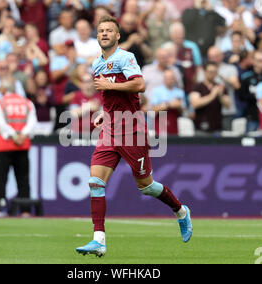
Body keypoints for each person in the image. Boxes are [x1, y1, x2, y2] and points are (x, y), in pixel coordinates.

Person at [75, 15, 192, 258]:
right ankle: (99, 240)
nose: (105, 33)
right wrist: (102, 114)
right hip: (110, 130)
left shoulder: (125, 57)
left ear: (118, 36)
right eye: (101, 30)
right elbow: (108, 99)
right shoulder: (97, 63)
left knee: (146, 186)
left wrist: (110, 86)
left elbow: (139, 85)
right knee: (95, 182)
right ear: (97, 36)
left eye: (109, 30)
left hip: (132, 130)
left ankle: (181, 211)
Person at [0, 78, 38, 218]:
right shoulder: (27, 102)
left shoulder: (0, 102)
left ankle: (1, 208)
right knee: (23, 178)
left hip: (4, 145)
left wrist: (14, 135)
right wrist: (22, 135)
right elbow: (33, 122)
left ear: (3, 90)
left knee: (1, 178)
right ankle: (25, 210)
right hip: (23, 144)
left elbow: (1, 122)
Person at [190, 61, 230, 135]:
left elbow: (228, 105)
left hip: (217, 127)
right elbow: (195, 104)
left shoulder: (220, 86)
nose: (212, 74)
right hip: (201, 127)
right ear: (204, 72)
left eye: (215, 72)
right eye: (210, 72)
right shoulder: (197, 86)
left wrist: (220, 96)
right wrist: (212, 95)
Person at [150, 69, 186, 136]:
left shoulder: (179, 92)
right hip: (161, 122)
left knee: (174, 143)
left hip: (174, 122)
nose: (169, 80)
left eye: (171, 78)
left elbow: (184, 110)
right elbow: (153, 110)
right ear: (163, 79)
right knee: (161, 143)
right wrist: (169, 105)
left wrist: (177, 105)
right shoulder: (156, 91)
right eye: (167, 78)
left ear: (174, 79)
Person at [238, 51, 262, 132]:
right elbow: (241, 96)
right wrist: (255, 96)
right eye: (259, 60)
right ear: (253, 61)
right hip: (252, 115)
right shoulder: (246, 77)